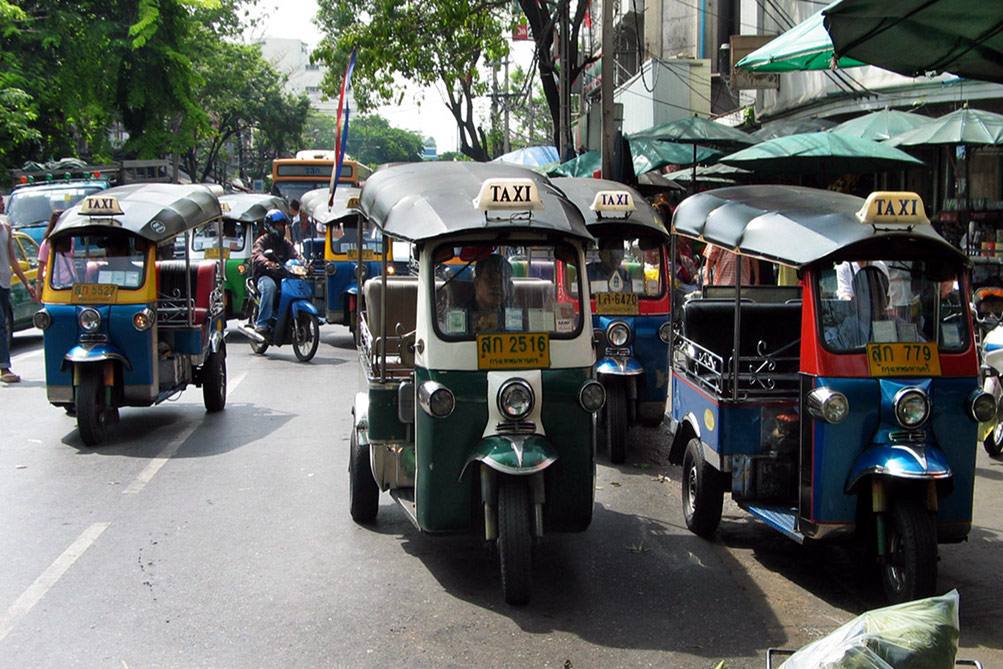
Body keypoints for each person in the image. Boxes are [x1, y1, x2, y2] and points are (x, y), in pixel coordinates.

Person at [1, 210, 38, 384]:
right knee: (1, 324)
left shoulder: (6, 228)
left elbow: (13, 259)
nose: (1, 204)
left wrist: (27, 283)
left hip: (4, 283)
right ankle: (4, 367)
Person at [250, 209, 299, 334]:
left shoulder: (285, 243)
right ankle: (262, 323)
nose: (281, 228)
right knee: (270, 287)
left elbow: (296, 255)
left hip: (282, 276)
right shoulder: (262, 241)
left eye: (282, 225)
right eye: (278, 225)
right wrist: (267, 262)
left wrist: (305, 264)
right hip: (265, 276)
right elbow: (257, 255)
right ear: (270, 226)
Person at [468, 254, 514, 334]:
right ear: (476, 283)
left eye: (502, 280)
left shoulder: (515, 317)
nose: (496, 285)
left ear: (509, 286)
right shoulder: (462, 315)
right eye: (490, 278)